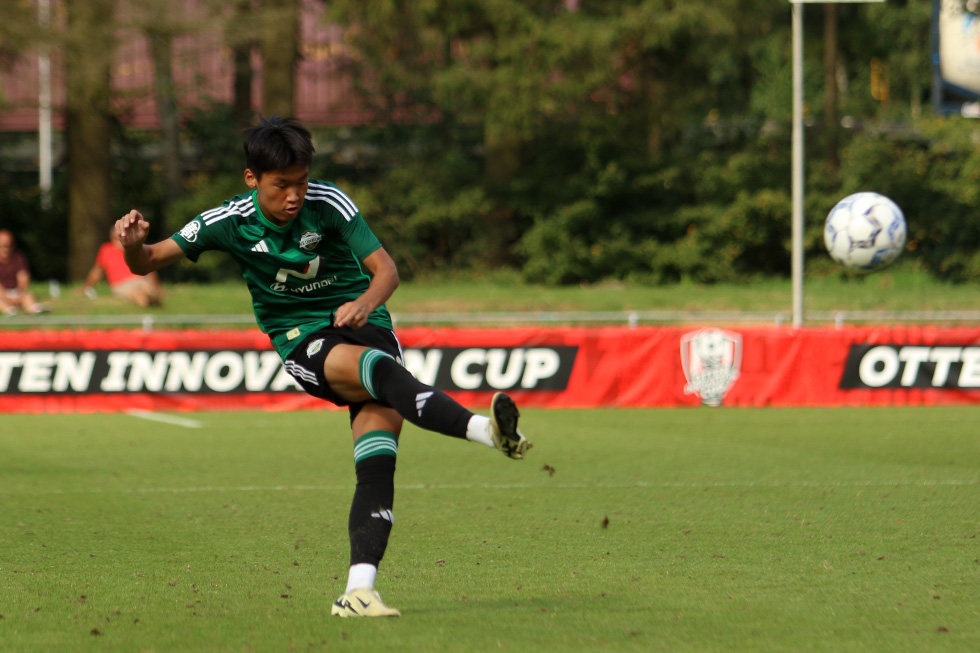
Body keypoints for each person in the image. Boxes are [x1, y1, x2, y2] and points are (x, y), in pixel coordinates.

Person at [113, 115, 531, 618]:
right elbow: (148, 262)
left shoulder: (329, 203)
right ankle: (490, 434)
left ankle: (359, 592)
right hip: (302, 337)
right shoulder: (227, 221)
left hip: (365, 320)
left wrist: (363, 303)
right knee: (376, 369)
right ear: (252, 179)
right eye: (281, 184)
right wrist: (133, 243)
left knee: (377, 463)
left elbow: (386, 271)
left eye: (301, 181)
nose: (294, 195)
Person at [81, 227, 164, 307]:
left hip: (139, 279)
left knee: (148, 289)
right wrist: (86, 288)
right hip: (120, 284)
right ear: (112, 238)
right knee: (137, 295)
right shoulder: (106, 250)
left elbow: (147, 268)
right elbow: (97, 272)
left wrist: (158, 288)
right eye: (117, 238)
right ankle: (146, 305)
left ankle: (153, 301)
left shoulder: (133, 249)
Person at [0, 229, 47, 316]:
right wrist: (6, 297)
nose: (5, 249)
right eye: (3, 246)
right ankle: (10, 312)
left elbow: (23, 277)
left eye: (8, 245)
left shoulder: (18, 258)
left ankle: (33, 310)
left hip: (16, 292)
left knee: (28, 296)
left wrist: (19, 293)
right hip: (2, 294)